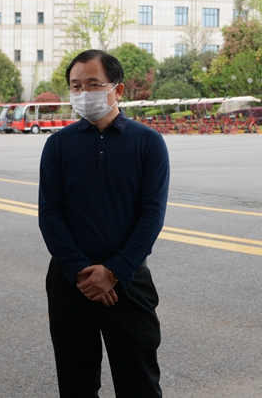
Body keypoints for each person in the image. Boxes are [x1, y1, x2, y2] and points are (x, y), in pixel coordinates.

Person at [38, 49, 170, 398]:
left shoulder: (148, 143)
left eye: (93, 84)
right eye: (76, 86)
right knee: (76, 385)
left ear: (118, 89)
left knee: (139, 384)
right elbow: (49, 213)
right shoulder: (58, 145)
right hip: (72, 284)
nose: (83, 93)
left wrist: (114, 271)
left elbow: (152, 214)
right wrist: (80, 270)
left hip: (128, 281)